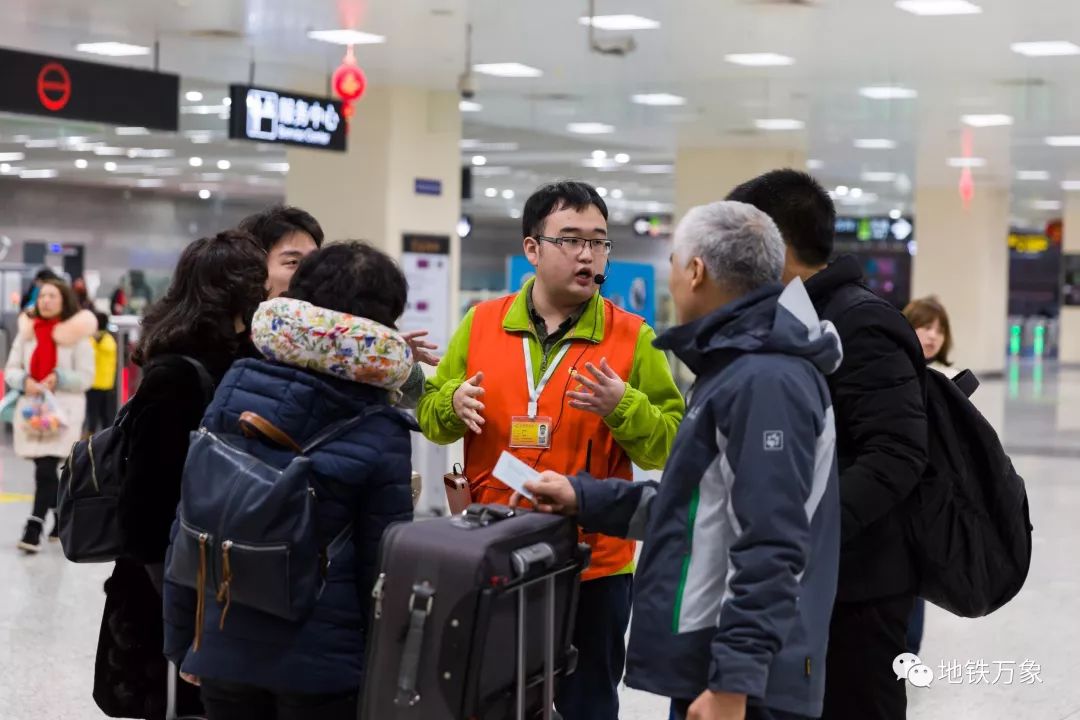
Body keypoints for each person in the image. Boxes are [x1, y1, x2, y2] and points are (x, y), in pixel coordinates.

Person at [518, 201, 842, 720]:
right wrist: (584, 496)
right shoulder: (735, 369)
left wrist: (733, 685)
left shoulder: (765, 381)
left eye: (673, 263)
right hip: (718, 660)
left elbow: (773, 543)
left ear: (696, 272)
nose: (669, 279)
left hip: (747, 680)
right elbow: (699, 502)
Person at [417, 181, 685, 720]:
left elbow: (672, 446)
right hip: (493, 551)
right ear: (533, 249)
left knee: (587, 704)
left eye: (599, 241)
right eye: (571, 239)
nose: (588, 254)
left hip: (593, 565)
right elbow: (432, 421)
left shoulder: (633, 337)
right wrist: (452, 402)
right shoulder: (482, 324)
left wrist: (622, 404)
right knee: (491, 698)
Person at [162, 241, 417, 720]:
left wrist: (182, 637)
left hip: (224, 645)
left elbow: (193, 520)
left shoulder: (237, 384)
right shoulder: (381, 426)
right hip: (323, 665)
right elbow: (381, 566)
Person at [727, 170, 928, 720]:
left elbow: (896, 453)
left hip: (857, 590)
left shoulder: (859, 323)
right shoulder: (791, 320)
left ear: (778, 245)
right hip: (806, 583)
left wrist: (803, 531)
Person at [93, 231, 269, 720]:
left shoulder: (240, 361)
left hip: (208, 582)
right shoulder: (178, 376)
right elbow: (144, 509)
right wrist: (183, 614)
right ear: (238, 291)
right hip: (172, 590)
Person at [238, 204, 437, 405]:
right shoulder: (235, 338)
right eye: (293, 262)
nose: (307, 272)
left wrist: (380, 351)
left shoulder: (345, 326)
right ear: (255, 268)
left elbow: (413, 397)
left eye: (313, 260)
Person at [6, 278, 96, 552]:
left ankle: (33, 527)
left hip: (63, 412)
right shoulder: (27, 333)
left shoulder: (77, 335)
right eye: (42, 296)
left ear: (64, 300)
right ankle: (60, 519)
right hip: (34, 410)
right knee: (44, 470)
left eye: (52, 296)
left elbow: (86, 377)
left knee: (45, 468)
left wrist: (60, 378)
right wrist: (25, 380)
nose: (45, 301)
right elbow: (11, 369)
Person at [901, 295, 956, 655]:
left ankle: (908, 652)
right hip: (898, 490)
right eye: (925, 326)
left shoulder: (950, 380)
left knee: (916, 577)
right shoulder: (892, 373)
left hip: (929, 499)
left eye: (939, 329)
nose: (933, 336)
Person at [86, 311, 118, 435]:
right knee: (105, 419)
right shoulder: (110, 340)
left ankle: (90, 445)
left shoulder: (93, 340)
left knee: (93, 419)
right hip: (106, 385)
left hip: (95, 385)